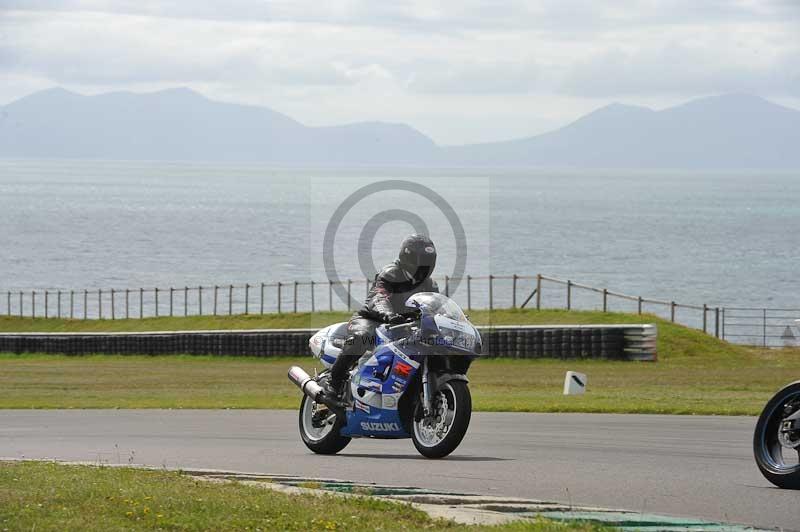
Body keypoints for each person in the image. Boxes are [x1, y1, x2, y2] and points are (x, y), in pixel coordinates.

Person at [325, 233, 439, 400]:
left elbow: (435, 307)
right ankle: (333, 382)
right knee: (361, 338)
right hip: (373, 320)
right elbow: (378, 298)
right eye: (422, 261)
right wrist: (389, 314)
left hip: (405, 327)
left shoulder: (430, 284)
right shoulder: (391, 274)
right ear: (408, 258)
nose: (425, 266)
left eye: (428, 261)